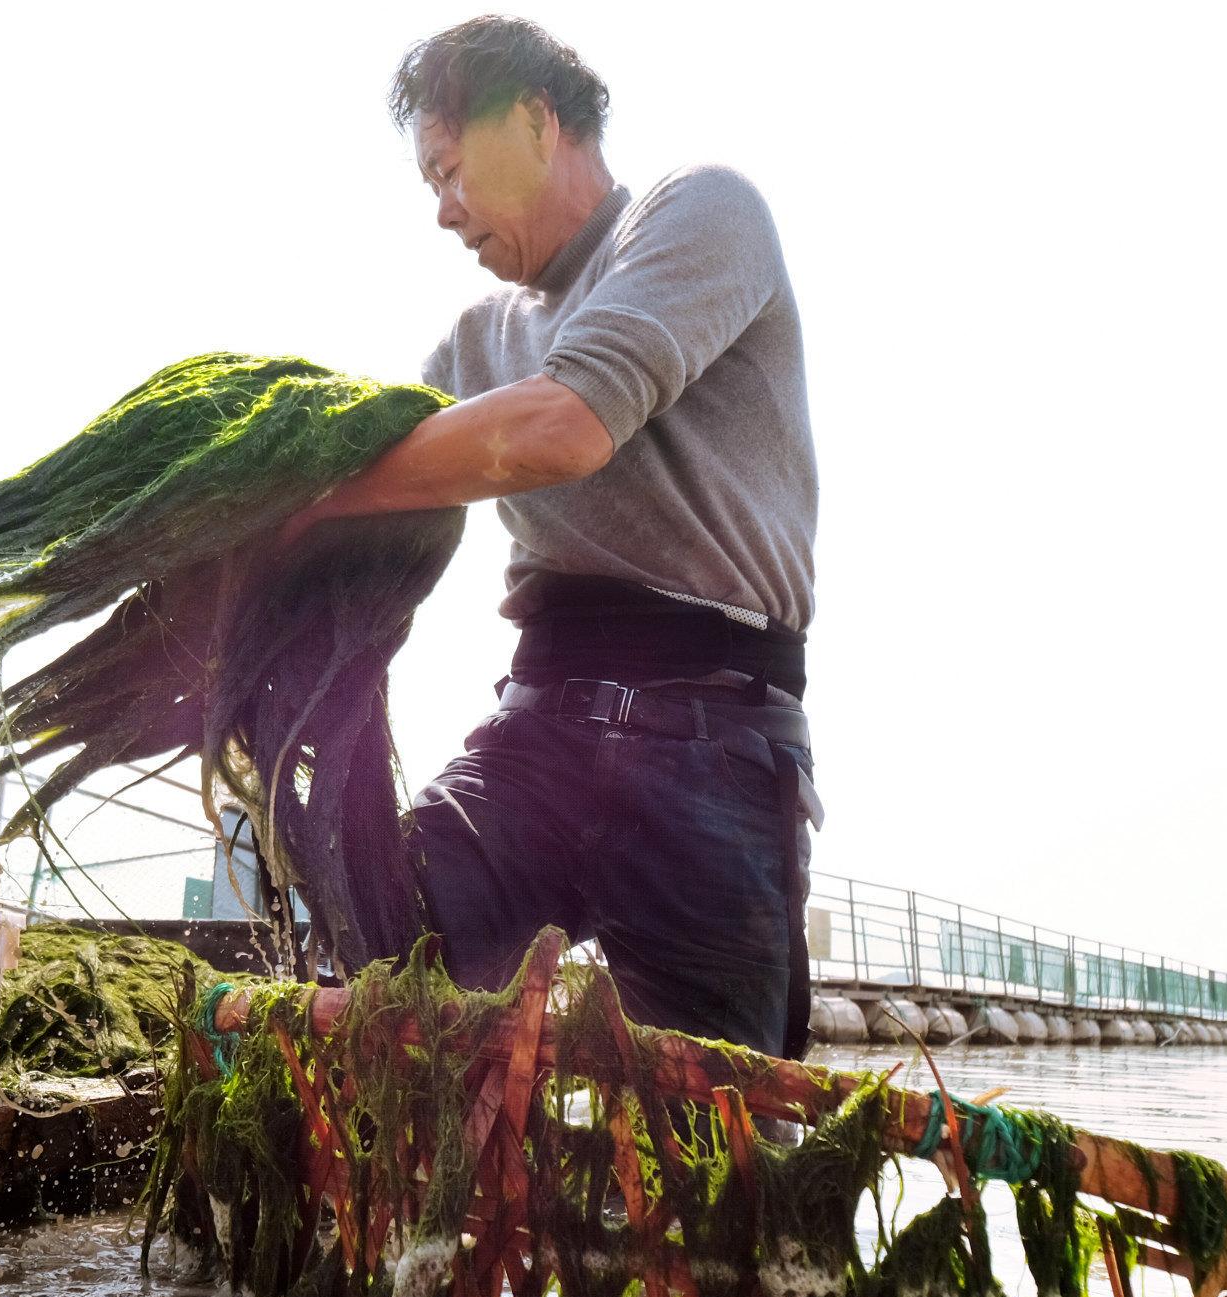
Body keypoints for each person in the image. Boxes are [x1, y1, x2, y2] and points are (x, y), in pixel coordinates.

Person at [280, 15, 822, 1059]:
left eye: (447, 170)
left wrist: (321, 496)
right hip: (533, 737)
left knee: (716, 1135)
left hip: (708, 742)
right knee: (381, 968)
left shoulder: (701, 209)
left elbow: (564, 426)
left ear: (532, 121)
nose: (441, 212)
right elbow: (391, 510)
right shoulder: (472, 341)